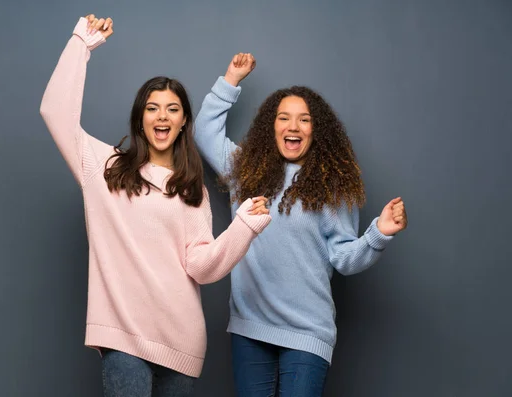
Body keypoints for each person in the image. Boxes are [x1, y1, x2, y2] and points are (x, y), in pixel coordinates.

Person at [39, 17, 271, 397]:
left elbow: (201, 265)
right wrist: (82, 43)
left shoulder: (192, 189)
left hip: (181, 341)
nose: (162, 115)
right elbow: (55, 113)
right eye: (152, 108)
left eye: (172, 109)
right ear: (141, 119)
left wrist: (242, 227)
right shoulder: (104, 167)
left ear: (183, 123)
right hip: (122, 335)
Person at [194, 53, 408, 396]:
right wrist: (230, 79)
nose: (293, 126)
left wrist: (378, 234)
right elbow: (204, 132)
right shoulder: (244, 170)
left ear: (316, 130)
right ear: (271, 126)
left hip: (308, 333)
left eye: (304, 120)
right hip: (250, 329)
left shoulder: (331, 187)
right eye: (284, 118)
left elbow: (344, 258)